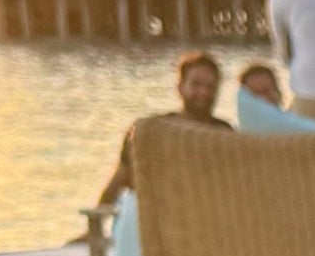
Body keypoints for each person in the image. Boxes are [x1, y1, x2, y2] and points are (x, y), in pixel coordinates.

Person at [96, 47, 229, 207]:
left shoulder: (224, 133)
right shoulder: (151, 131)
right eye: (196, 85)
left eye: (210, 87)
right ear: (180, 87)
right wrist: (96, 220)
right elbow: (120, 179)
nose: (203, 92)